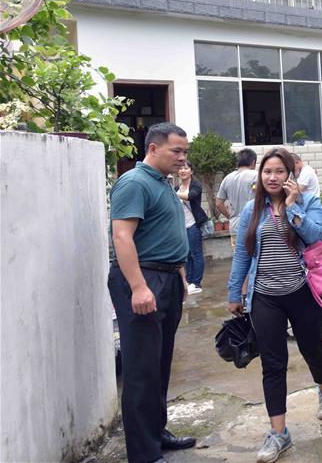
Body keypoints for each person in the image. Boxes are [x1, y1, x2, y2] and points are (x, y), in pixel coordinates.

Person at [226, 147, 322, 463]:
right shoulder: (252, 210)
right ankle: (279, 433)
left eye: (279, 172)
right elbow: (243, 255)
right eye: (267, 171)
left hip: (303, 292)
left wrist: (292, 207)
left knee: (313, 348)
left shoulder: (308, 202)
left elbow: (314, 237)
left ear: (291, 175)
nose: (272, 177)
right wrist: (235, 293)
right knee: (273, 363)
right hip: (265, 296)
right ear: (260, 175)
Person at [108, 122, 196, 463]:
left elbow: (166, 235)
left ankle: (157, 433)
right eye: (177, 150)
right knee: (141, 369)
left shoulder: (161, 183)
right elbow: (122, 237)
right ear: (153, 148)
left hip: (167, 279)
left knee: (159, 363)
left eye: (185, 151)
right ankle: (144, 454)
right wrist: (139, 287)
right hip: (143, 280)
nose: (182, 157)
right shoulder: (133, 182)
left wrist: (181, 277)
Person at [175, 161, 208, 294]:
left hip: (193, 224)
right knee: (186, 255)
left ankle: (197, 283)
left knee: (196, 254)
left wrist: (172, 193)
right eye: (181, 168)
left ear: (191, 171)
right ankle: (188, 282)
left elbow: (191, 196)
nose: (183, 170)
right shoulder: (176, 187)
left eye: (186, 168)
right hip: (181, 226)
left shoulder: (196, 185)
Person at [216, 148, 258, 251]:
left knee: (239, 257)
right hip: (254, 224)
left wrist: (229, 215)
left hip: (235, 225)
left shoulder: (227, 178)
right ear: (253, 162)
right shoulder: (256, 176)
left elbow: (218, 203)